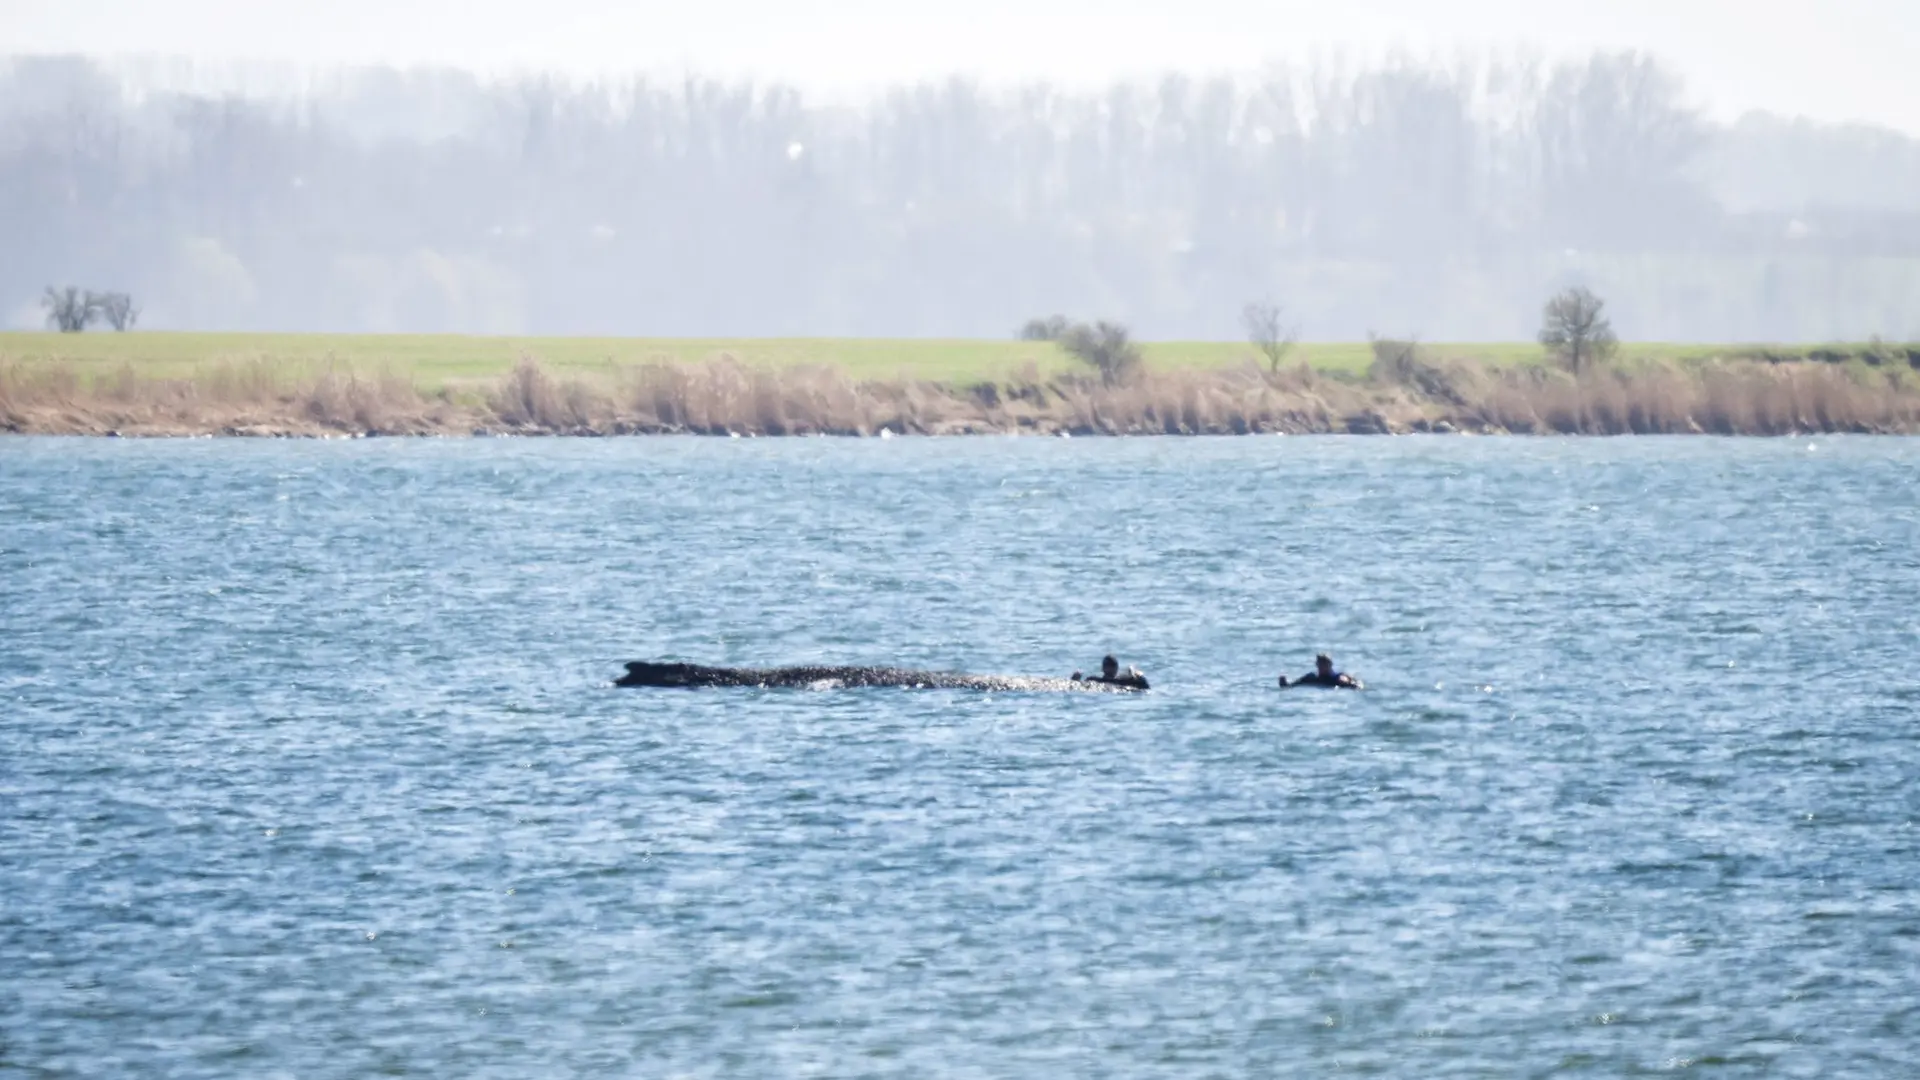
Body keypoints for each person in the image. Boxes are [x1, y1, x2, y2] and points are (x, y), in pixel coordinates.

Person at [1280, 653, 1361, 689]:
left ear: (1330, 664)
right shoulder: (1311, 678)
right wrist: (1283, 682)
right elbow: (1290, 686)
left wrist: (1355, 684)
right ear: (1317, 664)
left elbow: (1355, 685)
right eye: (1321, 664)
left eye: (1325, 664)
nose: (1323, 666)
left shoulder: (1338, 678)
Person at [1073, 654, 1150, 690]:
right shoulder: (1094, 680)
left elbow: (1145, 686)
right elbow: (1145, 686)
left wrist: (1135, 673)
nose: (1109, 669)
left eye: (1111, 666)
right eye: (1108, 666)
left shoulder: (1123, 680)